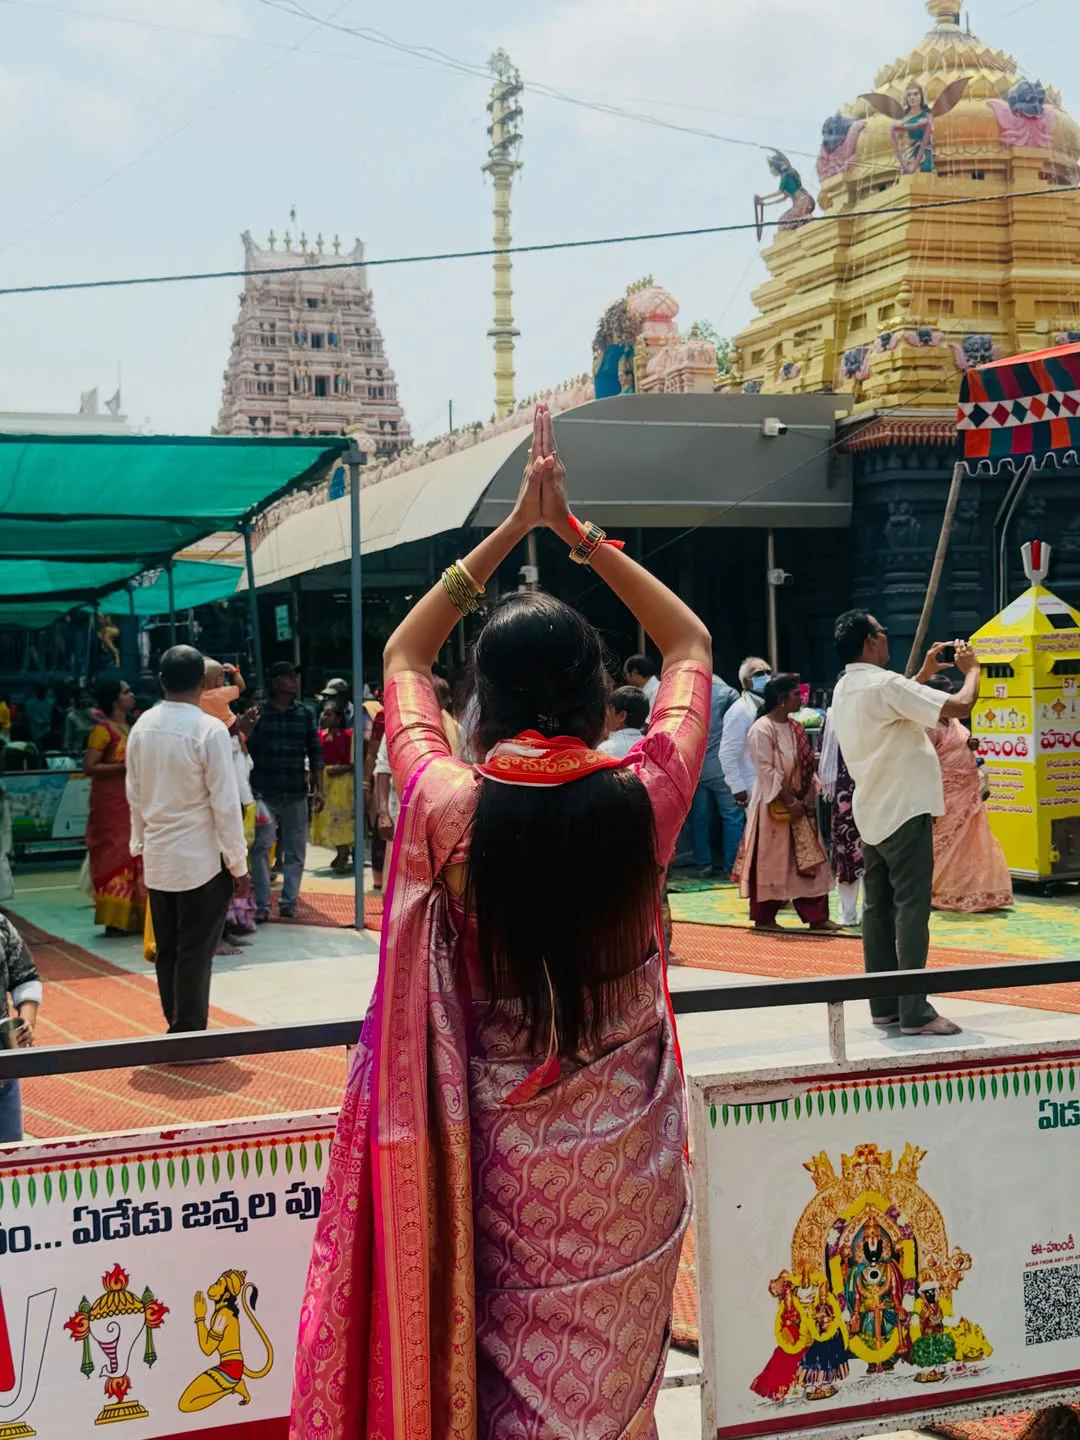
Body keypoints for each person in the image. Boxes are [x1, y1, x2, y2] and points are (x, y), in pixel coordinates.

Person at [291, 403, 712, 1438]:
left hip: (506, 1169)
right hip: (631, 1168)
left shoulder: (448, 810)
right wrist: (578, 536)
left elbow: (401, 653)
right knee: (617, 1398)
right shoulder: (645, 796)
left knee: (503, 1382)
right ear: (604, 699)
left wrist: (505, 538)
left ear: (479, 699)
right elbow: (689, 640)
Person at [830, 613, 981, 1037]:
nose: (886, 638)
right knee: (911, 910)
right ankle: (914, 1010)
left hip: (874, 809)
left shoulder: (848, 686)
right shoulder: (884, 684)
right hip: (905, 808)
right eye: (880, 632)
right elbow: (962, 706)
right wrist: (974, 672)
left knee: (877, 911)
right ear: (868, 642)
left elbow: (894, 704)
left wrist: (925, 673)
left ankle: (885, 1006)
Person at [126, 646, 249, 1034]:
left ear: (160, 680)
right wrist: (239, 865)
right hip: (201, 859)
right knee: (195, 951)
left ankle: (177, 1027)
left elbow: (133, 793)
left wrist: (139, 843)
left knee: (170, 950)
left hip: (160, 856)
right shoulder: (208, 729)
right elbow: (225, 804)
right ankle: (189, 1034)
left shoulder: (141, 726)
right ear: (201, 683)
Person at [732, 674, 836, 931]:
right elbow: (766, 770)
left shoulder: (795, 727)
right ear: (780, 700)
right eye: (794, 694)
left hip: (801, 805)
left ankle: (817, 917)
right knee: (773, 860)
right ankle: (765, 918)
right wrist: (789, 800)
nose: (800, 698)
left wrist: (809, 791)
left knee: (809, 858)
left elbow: (805, 763)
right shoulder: (761, 729)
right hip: (773, 807)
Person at [925, 677, 1013, 913]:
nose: (953, 699)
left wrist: (970, 747)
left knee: (970, 843)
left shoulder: (953, 720)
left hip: (968, 789)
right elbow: (925, 760)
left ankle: (968, 891)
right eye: (948, 695)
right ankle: (938, 890)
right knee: (944, 842)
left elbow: (961, 743)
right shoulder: (927, 725)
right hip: (945, 792)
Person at [246, 661, 324, 922]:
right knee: (261, 848)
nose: (295, 681)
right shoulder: (258, 714)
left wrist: (319, 788)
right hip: (264, 793)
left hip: (295, 792)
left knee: (295, 849)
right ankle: (262, 904)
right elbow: (246, 750)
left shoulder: (305, 714)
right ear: (277, 682)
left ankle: (288, 900)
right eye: (289, 677)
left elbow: (315, 753)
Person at [83, 678, 146, 936]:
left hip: (132, 799)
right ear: (114, 700)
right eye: (126, 692)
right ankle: (115, 919)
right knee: (114, 854)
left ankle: (134, 916)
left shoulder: (130, 728)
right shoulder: (102, 730)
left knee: (136, 854)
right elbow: (90, 766)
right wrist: (123, 767)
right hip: (110, 803)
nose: (132, 696)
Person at [688, 667, 741, 878]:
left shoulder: (690, 694)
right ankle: (732, 866)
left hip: (695, 767)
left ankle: (703, 865)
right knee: (732, 816)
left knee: (699, 818)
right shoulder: (728, 694)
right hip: (721, 767)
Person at [819, 703, 864, 927]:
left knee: (871, 854)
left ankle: (868, 913)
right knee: (848, 854)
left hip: (867, 791)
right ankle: (848, 914)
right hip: (847, 794)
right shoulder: (835, 713)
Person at [0, 914, 41, 1142]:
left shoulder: (1, 926)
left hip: (3, 1069)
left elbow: (25, 976)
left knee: (10, 1156)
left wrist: (26, 1023)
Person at [720, 656, 772, 810]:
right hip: (752, 784)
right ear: (747, 681)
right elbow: (727, 754)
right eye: (759, 674)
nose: (766, 677)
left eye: (768, 672)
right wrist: (737, 788)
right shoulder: (739, 711)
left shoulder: (770, 704)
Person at [310, 699, 355, 872]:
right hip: (324, 782)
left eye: (329, 714)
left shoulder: (348, 736)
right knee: (327, 820)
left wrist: (340, 769)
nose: (324, 717)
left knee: (341, 819)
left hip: (342, 783)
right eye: (323, 713)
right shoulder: (320, 735)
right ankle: (339, 852)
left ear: (338, 718)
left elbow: (353, 762)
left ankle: (343, 853)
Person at [599, 684, 649, 758]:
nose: (606, 715)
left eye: (609, 710)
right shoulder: (650, 747)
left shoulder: (606, 749)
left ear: (622, 715)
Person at [624, 652, 661, 717]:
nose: (625, 678)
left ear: (634, 672)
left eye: (626, 673)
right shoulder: (644, 690)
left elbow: (647, 722)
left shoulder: (657, 690)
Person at [64, 689, 97, 755]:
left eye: (87, 697)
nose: (85, 700)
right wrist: (67, 750)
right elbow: (68, 736)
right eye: (82, 698)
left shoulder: (96, 713)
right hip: (77, 753)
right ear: (77, 699)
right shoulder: (71, 716)